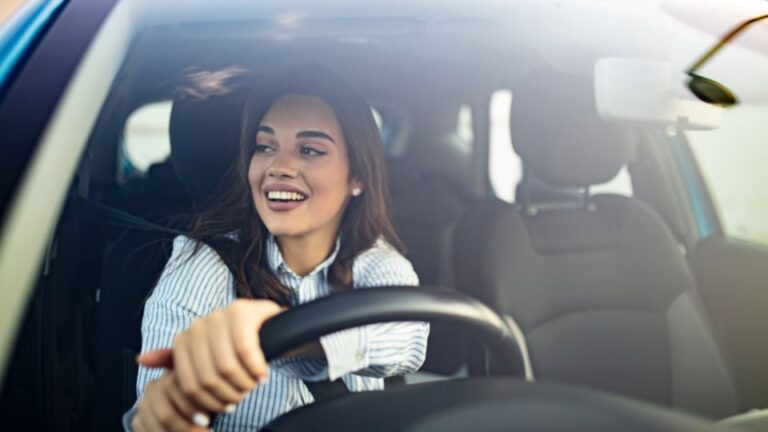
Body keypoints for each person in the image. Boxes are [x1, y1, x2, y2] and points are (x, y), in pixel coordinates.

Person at [124, 66, 430, 431]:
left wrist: (286, 336)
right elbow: (161, 407)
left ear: (358, 176)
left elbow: (407, 339)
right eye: (265, 147)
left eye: (310, 150)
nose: (278, 167)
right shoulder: (202, 263)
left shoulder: (376, 260)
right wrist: (173, 410)